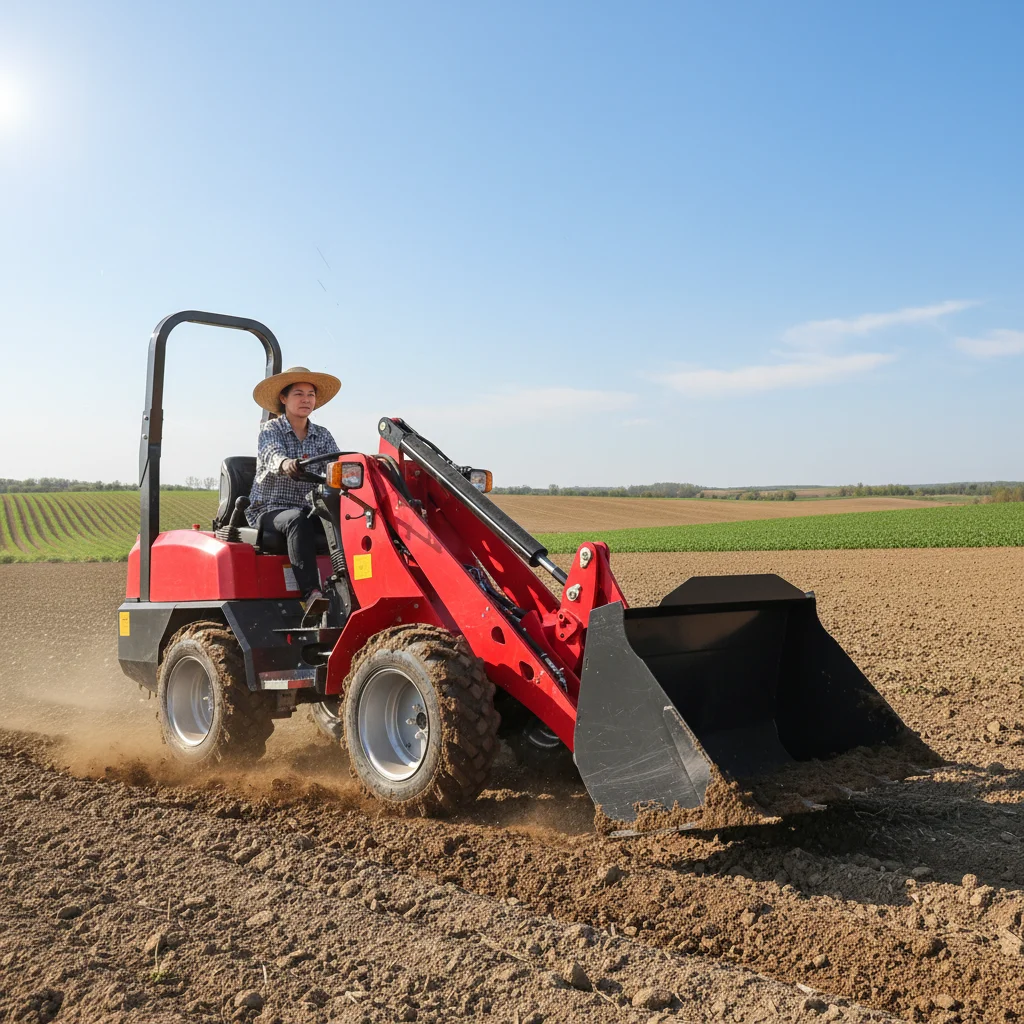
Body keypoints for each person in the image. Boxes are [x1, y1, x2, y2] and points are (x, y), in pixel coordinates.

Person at [247, 365, 342, 622]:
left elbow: (336, 464)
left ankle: (348, 587)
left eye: (310, 394)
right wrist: (285, 463)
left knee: (345, 520)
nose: (306, 399)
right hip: (269, 509)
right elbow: (271, 454)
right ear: (283, 398)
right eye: (299, 394)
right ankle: (310, 593)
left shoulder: (322, 435)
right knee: (295, 521)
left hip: (308, 507)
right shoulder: (271, 430)